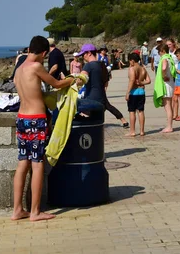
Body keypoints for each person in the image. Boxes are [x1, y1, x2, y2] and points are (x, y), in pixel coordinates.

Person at [12, 35, 75, 222]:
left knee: (23, 163)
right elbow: (55, 83)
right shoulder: (36, 66)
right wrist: (73, 80)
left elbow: (34, 91)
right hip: (36, 120)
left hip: (22, 118)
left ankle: (17, 210)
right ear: (44, 53)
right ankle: (35, 211)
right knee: (38, 164)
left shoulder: (19, 69)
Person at [78, 44, 129, 129]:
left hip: (90, 96)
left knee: (85, 118)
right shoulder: (101, 65)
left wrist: (71, 80)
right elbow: (106, 81)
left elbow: (80, 81)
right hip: (101, 93)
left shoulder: (88, 66)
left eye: (84, 54)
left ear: (89, 53)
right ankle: (123, 120)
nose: (83, 57)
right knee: (108, 107)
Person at [126, 53, 151, 137]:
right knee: (140, 111)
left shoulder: (132, 69)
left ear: (132, 61)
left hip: (134, 92)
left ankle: (132, 131)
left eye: (130, 61)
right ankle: (142, 131)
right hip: (141, 92)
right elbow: (148, 80)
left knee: (132, 111)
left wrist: (127, 92)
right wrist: (141, 82)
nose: (129, 63)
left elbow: (132, 80)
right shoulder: (143, 69)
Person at [154, 44, 176, 133]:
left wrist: (163, 76)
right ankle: (169, 125)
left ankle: (169, 126)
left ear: (162, 51)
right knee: (169, 105)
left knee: (167, 106)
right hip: (170, 83)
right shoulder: (170, 58)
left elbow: (163, 68)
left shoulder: (164, 58)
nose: (159, 54)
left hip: (166, 84)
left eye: (159, 52)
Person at [166, 39, 180, 119]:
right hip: (170, 74)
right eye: (167, 45)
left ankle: (175, 114)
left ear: (173, 44)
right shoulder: (167, 53)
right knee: (170, 95)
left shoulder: (177, 52)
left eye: (170, 44)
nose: (168, 46)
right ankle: (171, 113)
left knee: (175, 96)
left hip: (177, 74)